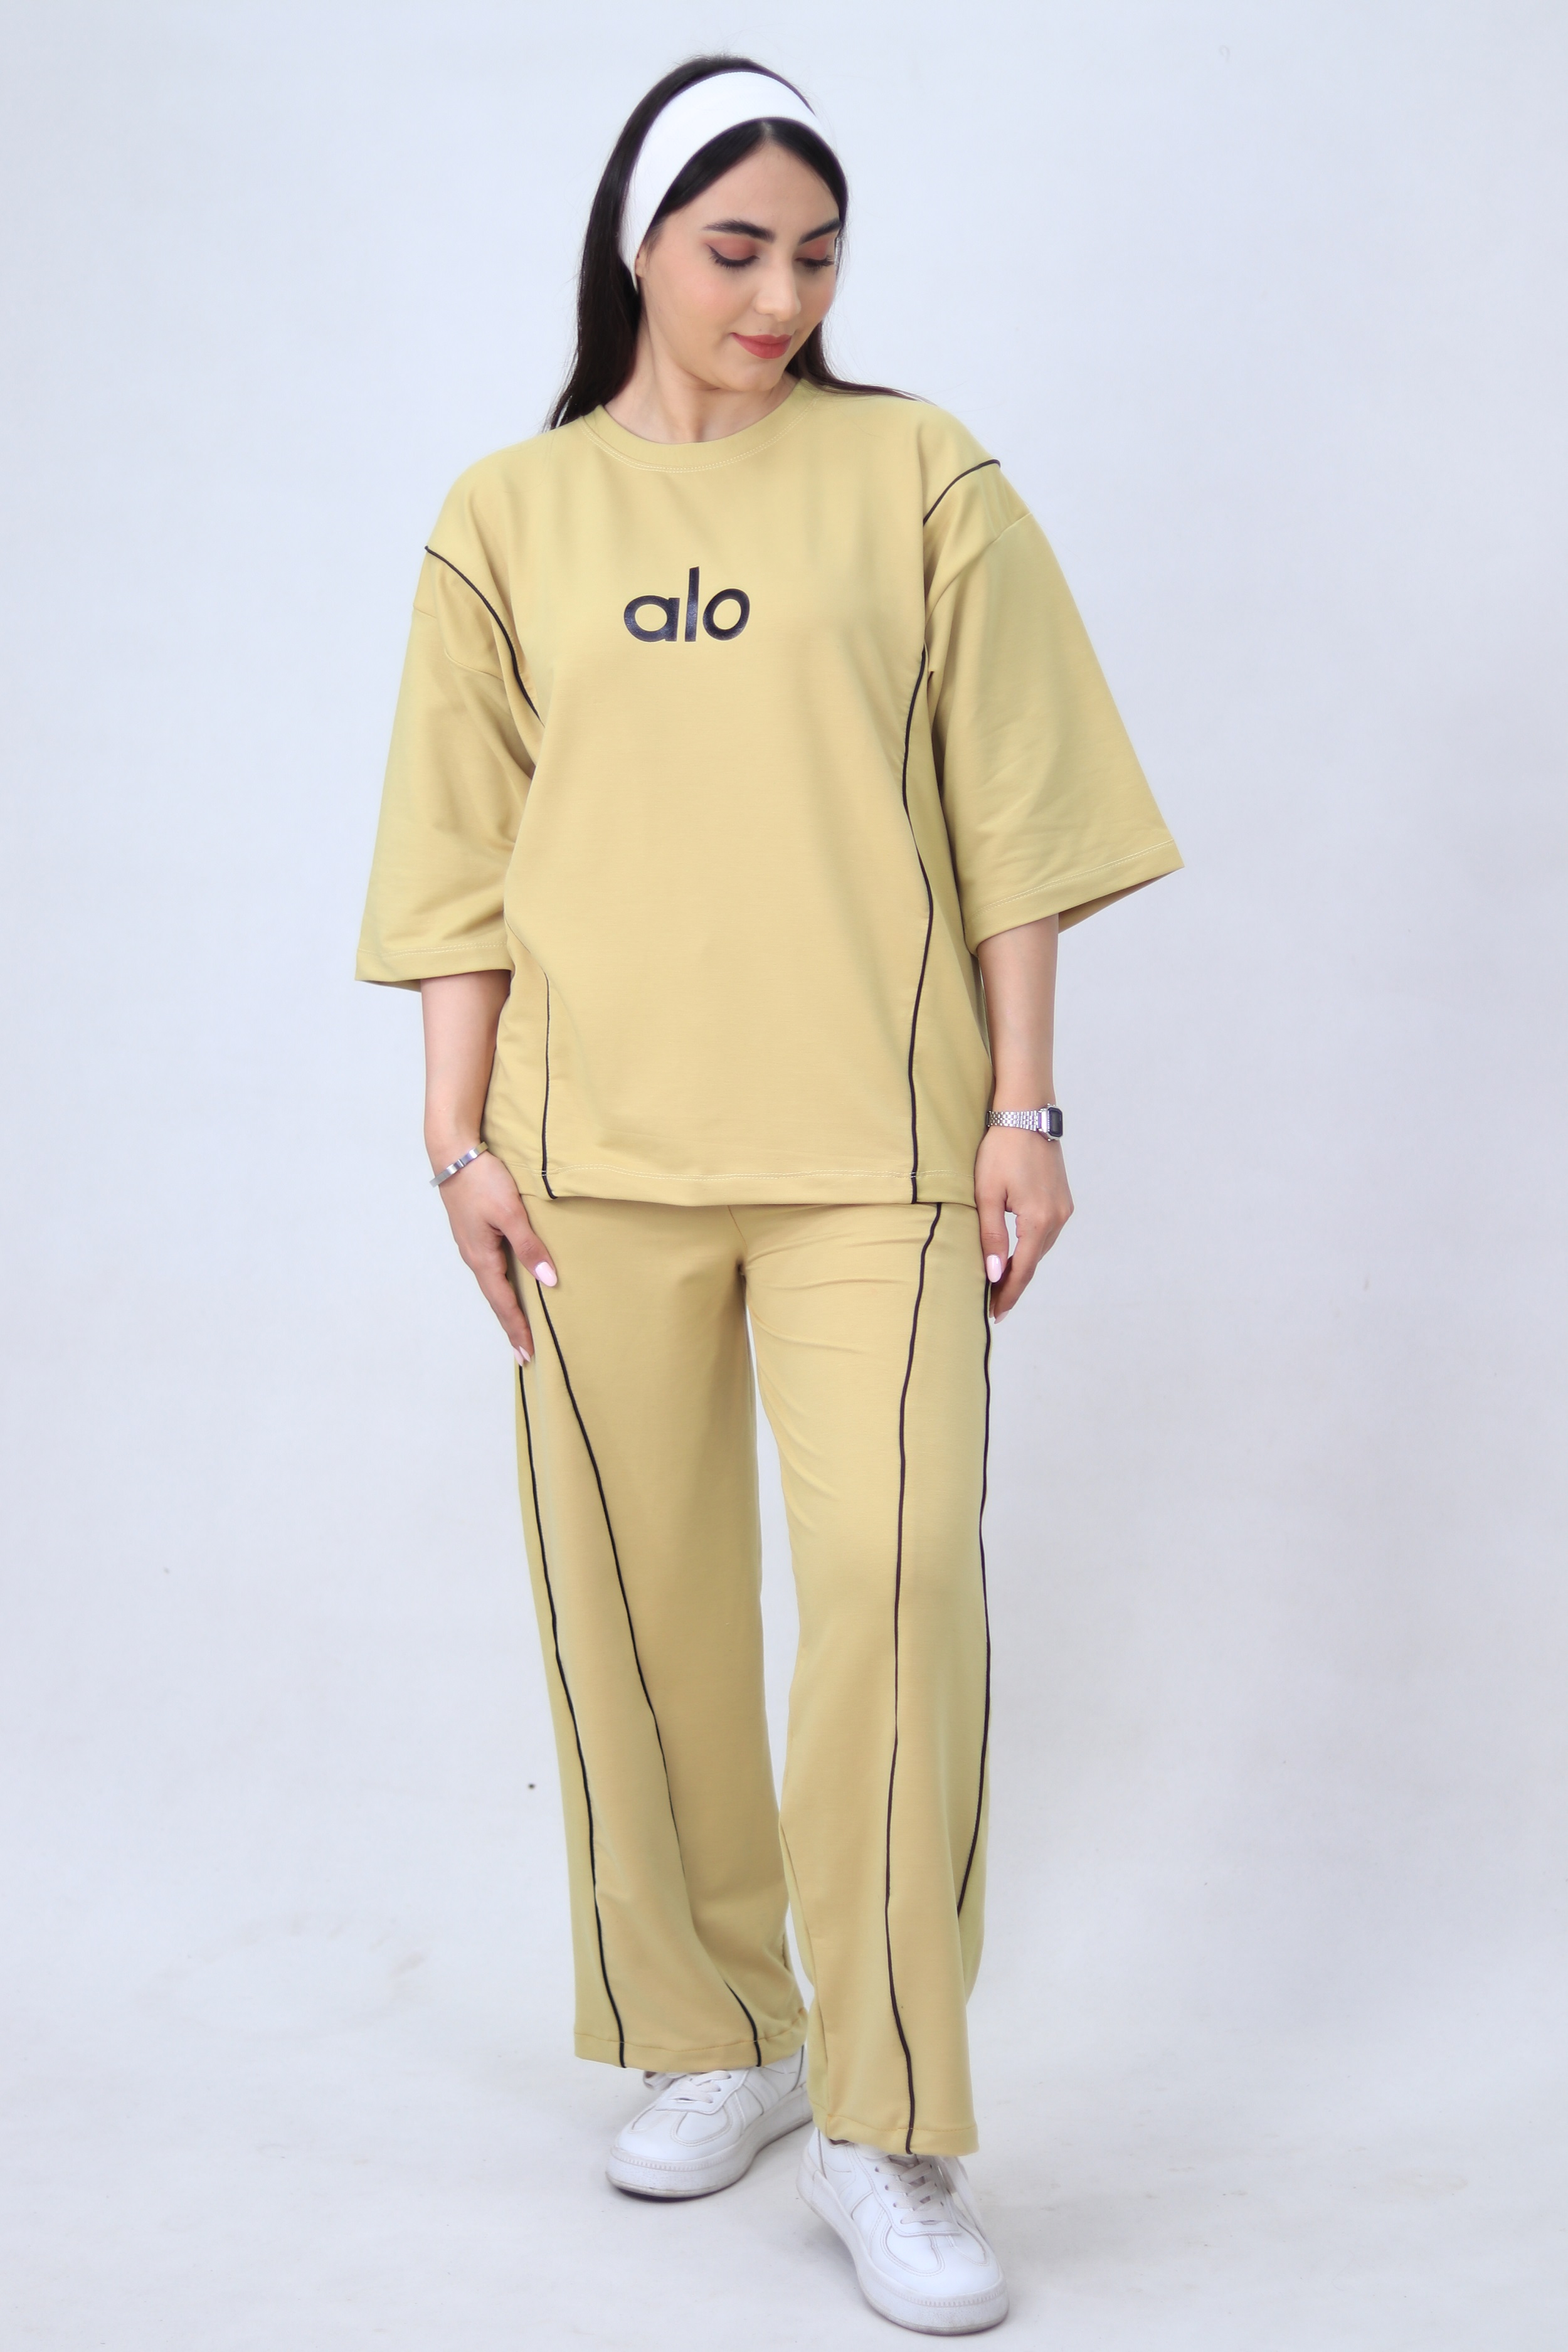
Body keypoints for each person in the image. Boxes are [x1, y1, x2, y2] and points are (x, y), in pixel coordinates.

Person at [357, 54, 1180, 2335]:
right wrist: (455, 1141)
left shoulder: (917, 476)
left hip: (878, 1153)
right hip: (586, 1159)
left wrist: (1028, 1113)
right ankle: (710, 2030)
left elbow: (1016, 812)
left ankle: (886, 2118)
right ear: (637, 241)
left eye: (817, 256)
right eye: (736, 249)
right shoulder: (508, 513)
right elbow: (453, 859)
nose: (780, 296)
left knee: (898, 1586)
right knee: (639, 1612)